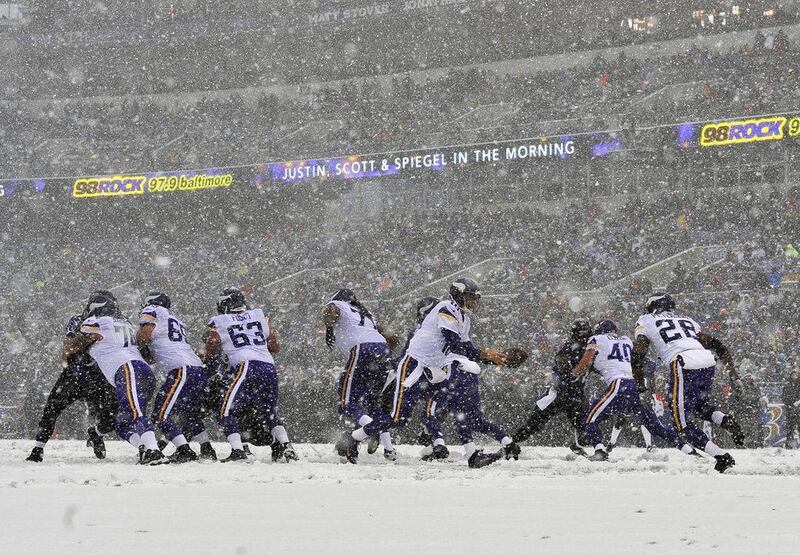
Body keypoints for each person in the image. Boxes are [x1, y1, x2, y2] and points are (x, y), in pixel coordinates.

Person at [382, 278, 511, 468]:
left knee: (455, 409)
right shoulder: (445, 310)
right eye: (470, 297)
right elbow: (453, 345)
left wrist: (487, 357)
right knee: (403, 417)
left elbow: (463, 347)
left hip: (438, 373)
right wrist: (483, 354)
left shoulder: (461, 317)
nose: (473, 302)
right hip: (421, 370)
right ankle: (357, 438)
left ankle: (465, 452)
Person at [632, 293, 743, 473]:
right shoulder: (687, 320)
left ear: (652, 306)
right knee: (699, 405)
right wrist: (734, 376)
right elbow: (718, 345)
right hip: (707, 360)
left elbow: (639, 353)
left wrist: (639, 383)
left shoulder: (646, 320)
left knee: (680, 424)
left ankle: (721, 456)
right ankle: (724, 420)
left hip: (683, 362)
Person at [573, 320, 695, 461]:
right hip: (631, 385)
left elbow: (586, 362)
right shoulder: (626, 340)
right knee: (655, 427)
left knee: (591, 418)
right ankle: (688, 450)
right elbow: (635, 362)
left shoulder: (596, 339)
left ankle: (600, 450)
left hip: (617, 384)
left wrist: (573, 374)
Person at [64, 291, 164, 464]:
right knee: (122, 423)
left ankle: (153, 452)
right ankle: (145, 447)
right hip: (142, 371)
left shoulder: (93, 322)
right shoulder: (125, 322)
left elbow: (70, 348)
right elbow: (146, 351)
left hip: (125, 369)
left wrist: (79, 346)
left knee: (134, 413)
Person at [205, 287, 298, 463]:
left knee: (226, 408)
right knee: (269, 411)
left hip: (245, 364)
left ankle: (238, 450)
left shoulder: (218, 320)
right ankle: (287, 446)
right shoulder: (259, 315)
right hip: (268, 366)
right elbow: (275, 346)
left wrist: (211, 356)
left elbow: (213, 342)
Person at [26, 309, 117, 463]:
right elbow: (67, 350)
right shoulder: (77, 321)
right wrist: (86, 339)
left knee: (113, 416)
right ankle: (38, 448)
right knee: (51, 409)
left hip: (101, 377)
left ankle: (97, 434)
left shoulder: (116, 323)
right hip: (75, 376)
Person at [137, 291, 214, 462]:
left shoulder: (153, 311)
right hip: (197, 368)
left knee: (160, 415)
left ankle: (184, 449)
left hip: (181, 369)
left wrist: (136, 345)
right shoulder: (175, 320)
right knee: (190, 412)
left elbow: (144, 335)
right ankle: (207, 447)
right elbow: (154, 354)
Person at [323, 289, 397, 463]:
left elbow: (331, 311)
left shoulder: (340, 305)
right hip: (382, 349)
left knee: (347, 403)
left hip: (361, 349)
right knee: (372, 402)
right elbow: (389, 337)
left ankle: (370, 430)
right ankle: (389, 449)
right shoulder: (367, 313)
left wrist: (328, 326)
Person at [510, 319, 593, 455]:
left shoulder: (590, 350)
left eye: (586, 336)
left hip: (576, 395)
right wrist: (571, 369)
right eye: (582, 336)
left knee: (586, 427)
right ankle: (510, 443)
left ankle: (579, 445)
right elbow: (560, 361)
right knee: (533, 425)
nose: (584, 339)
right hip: (559, 394)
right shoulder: (571, 347)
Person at [783, 370, 800, 448]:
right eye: (793, 375)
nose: (795, 376)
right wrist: (790, 404)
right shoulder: (787, 385)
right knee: (790, 427)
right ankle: (788, 444)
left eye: (796, 375)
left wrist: (798, 402)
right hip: (790, 409)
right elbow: (784, 397)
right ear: (790, 375)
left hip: (798, 408)